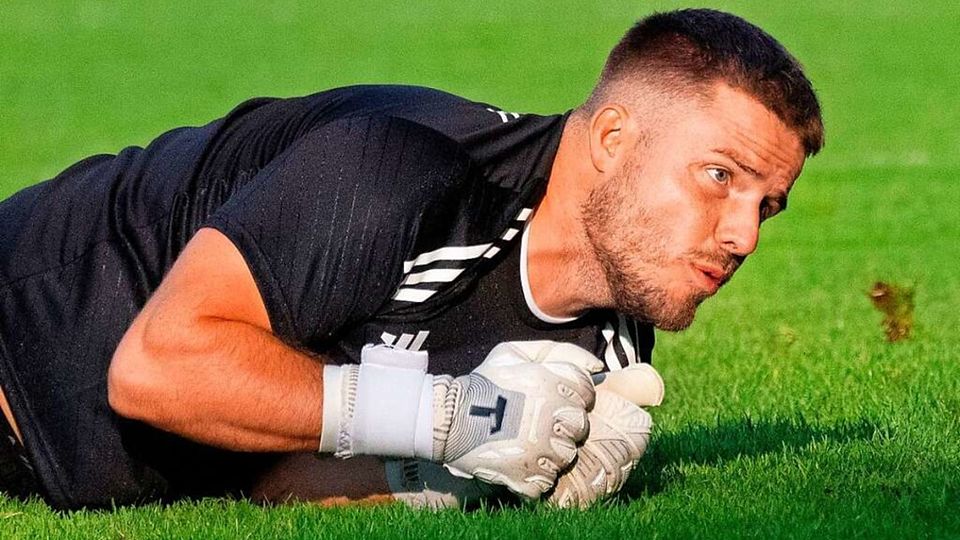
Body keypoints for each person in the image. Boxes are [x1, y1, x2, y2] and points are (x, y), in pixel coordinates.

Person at [0, 8, 822, 510]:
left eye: (767, 205)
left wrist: (483, 479)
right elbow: (157, 369)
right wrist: (448, 417)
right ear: (612, 139)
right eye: (720, 177)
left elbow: (281, 477)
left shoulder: (604, 350)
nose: (743, 236)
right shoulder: (398, 168)